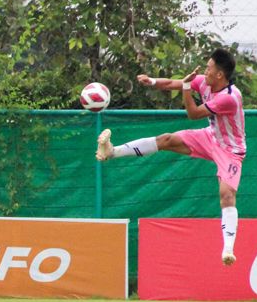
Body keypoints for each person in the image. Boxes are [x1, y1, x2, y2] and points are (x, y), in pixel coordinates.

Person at [96, 48, 246, 265]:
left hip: (230, 150)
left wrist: (186, 88)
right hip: (210, 137)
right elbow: (171, 84)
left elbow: (193, 114)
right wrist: (152, 81)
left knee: (226, 194)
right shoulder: (205, 81)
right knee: (166, 139)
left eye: (209, 68)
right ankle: (113, 151)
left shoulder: (229, 98)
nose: (205, 71)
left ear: (220, 75)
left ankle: (228, 250)